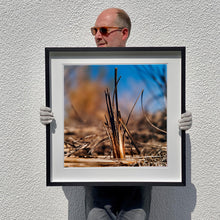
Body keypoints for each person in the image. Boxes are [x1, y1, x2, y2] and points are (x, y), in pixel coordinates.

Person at [40, 8, 192, 220]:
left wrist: (178, 122)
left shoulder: (147, 66)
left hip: (137, 184)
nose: (97, 36)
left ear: (124, 33)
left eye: (103, 30)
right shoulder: (80, 70)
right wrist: (53, 118)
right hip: (96, 183)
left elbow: (160, 116)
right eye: (94, 30)